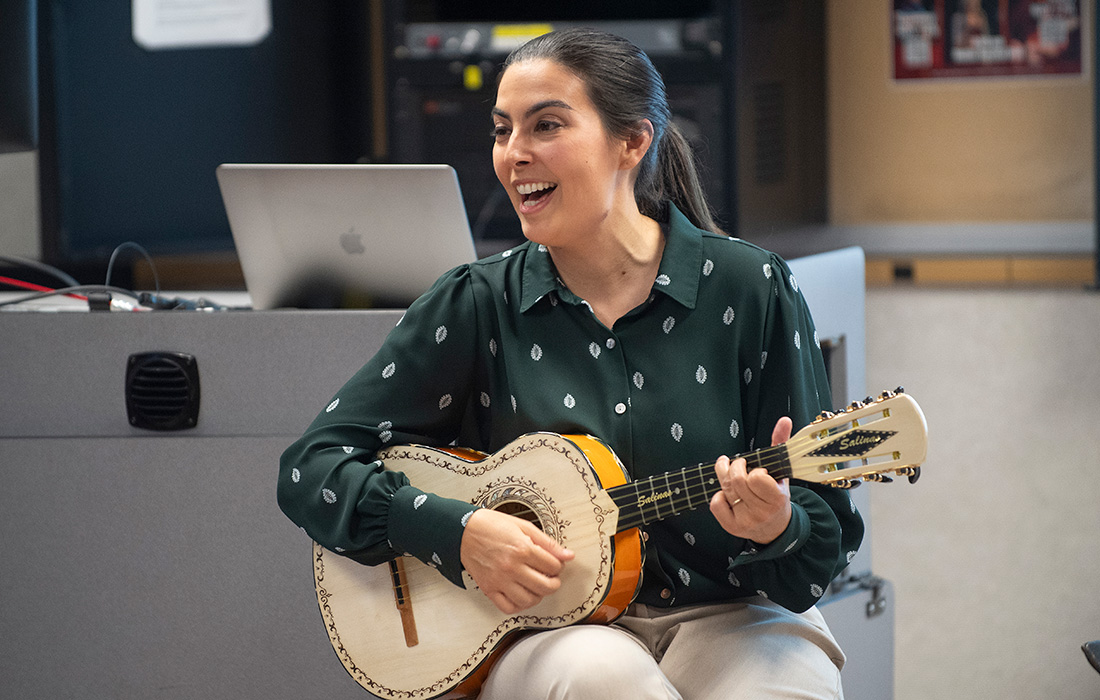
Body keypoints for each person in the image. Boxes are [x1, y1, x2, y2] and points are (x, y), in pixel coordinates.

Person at [278, 27, 863, 699]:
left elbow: (825, 547)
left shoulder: (752, 287)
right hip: (550, 633)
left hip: (733, 614)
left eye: (546, 125)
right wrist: (459, 531)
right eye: (502, 131)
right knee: (604, 681)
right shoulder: (475, 301)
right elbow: (309, 468)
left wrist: (779, 528)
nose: (514, 154)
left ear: (633, 141)